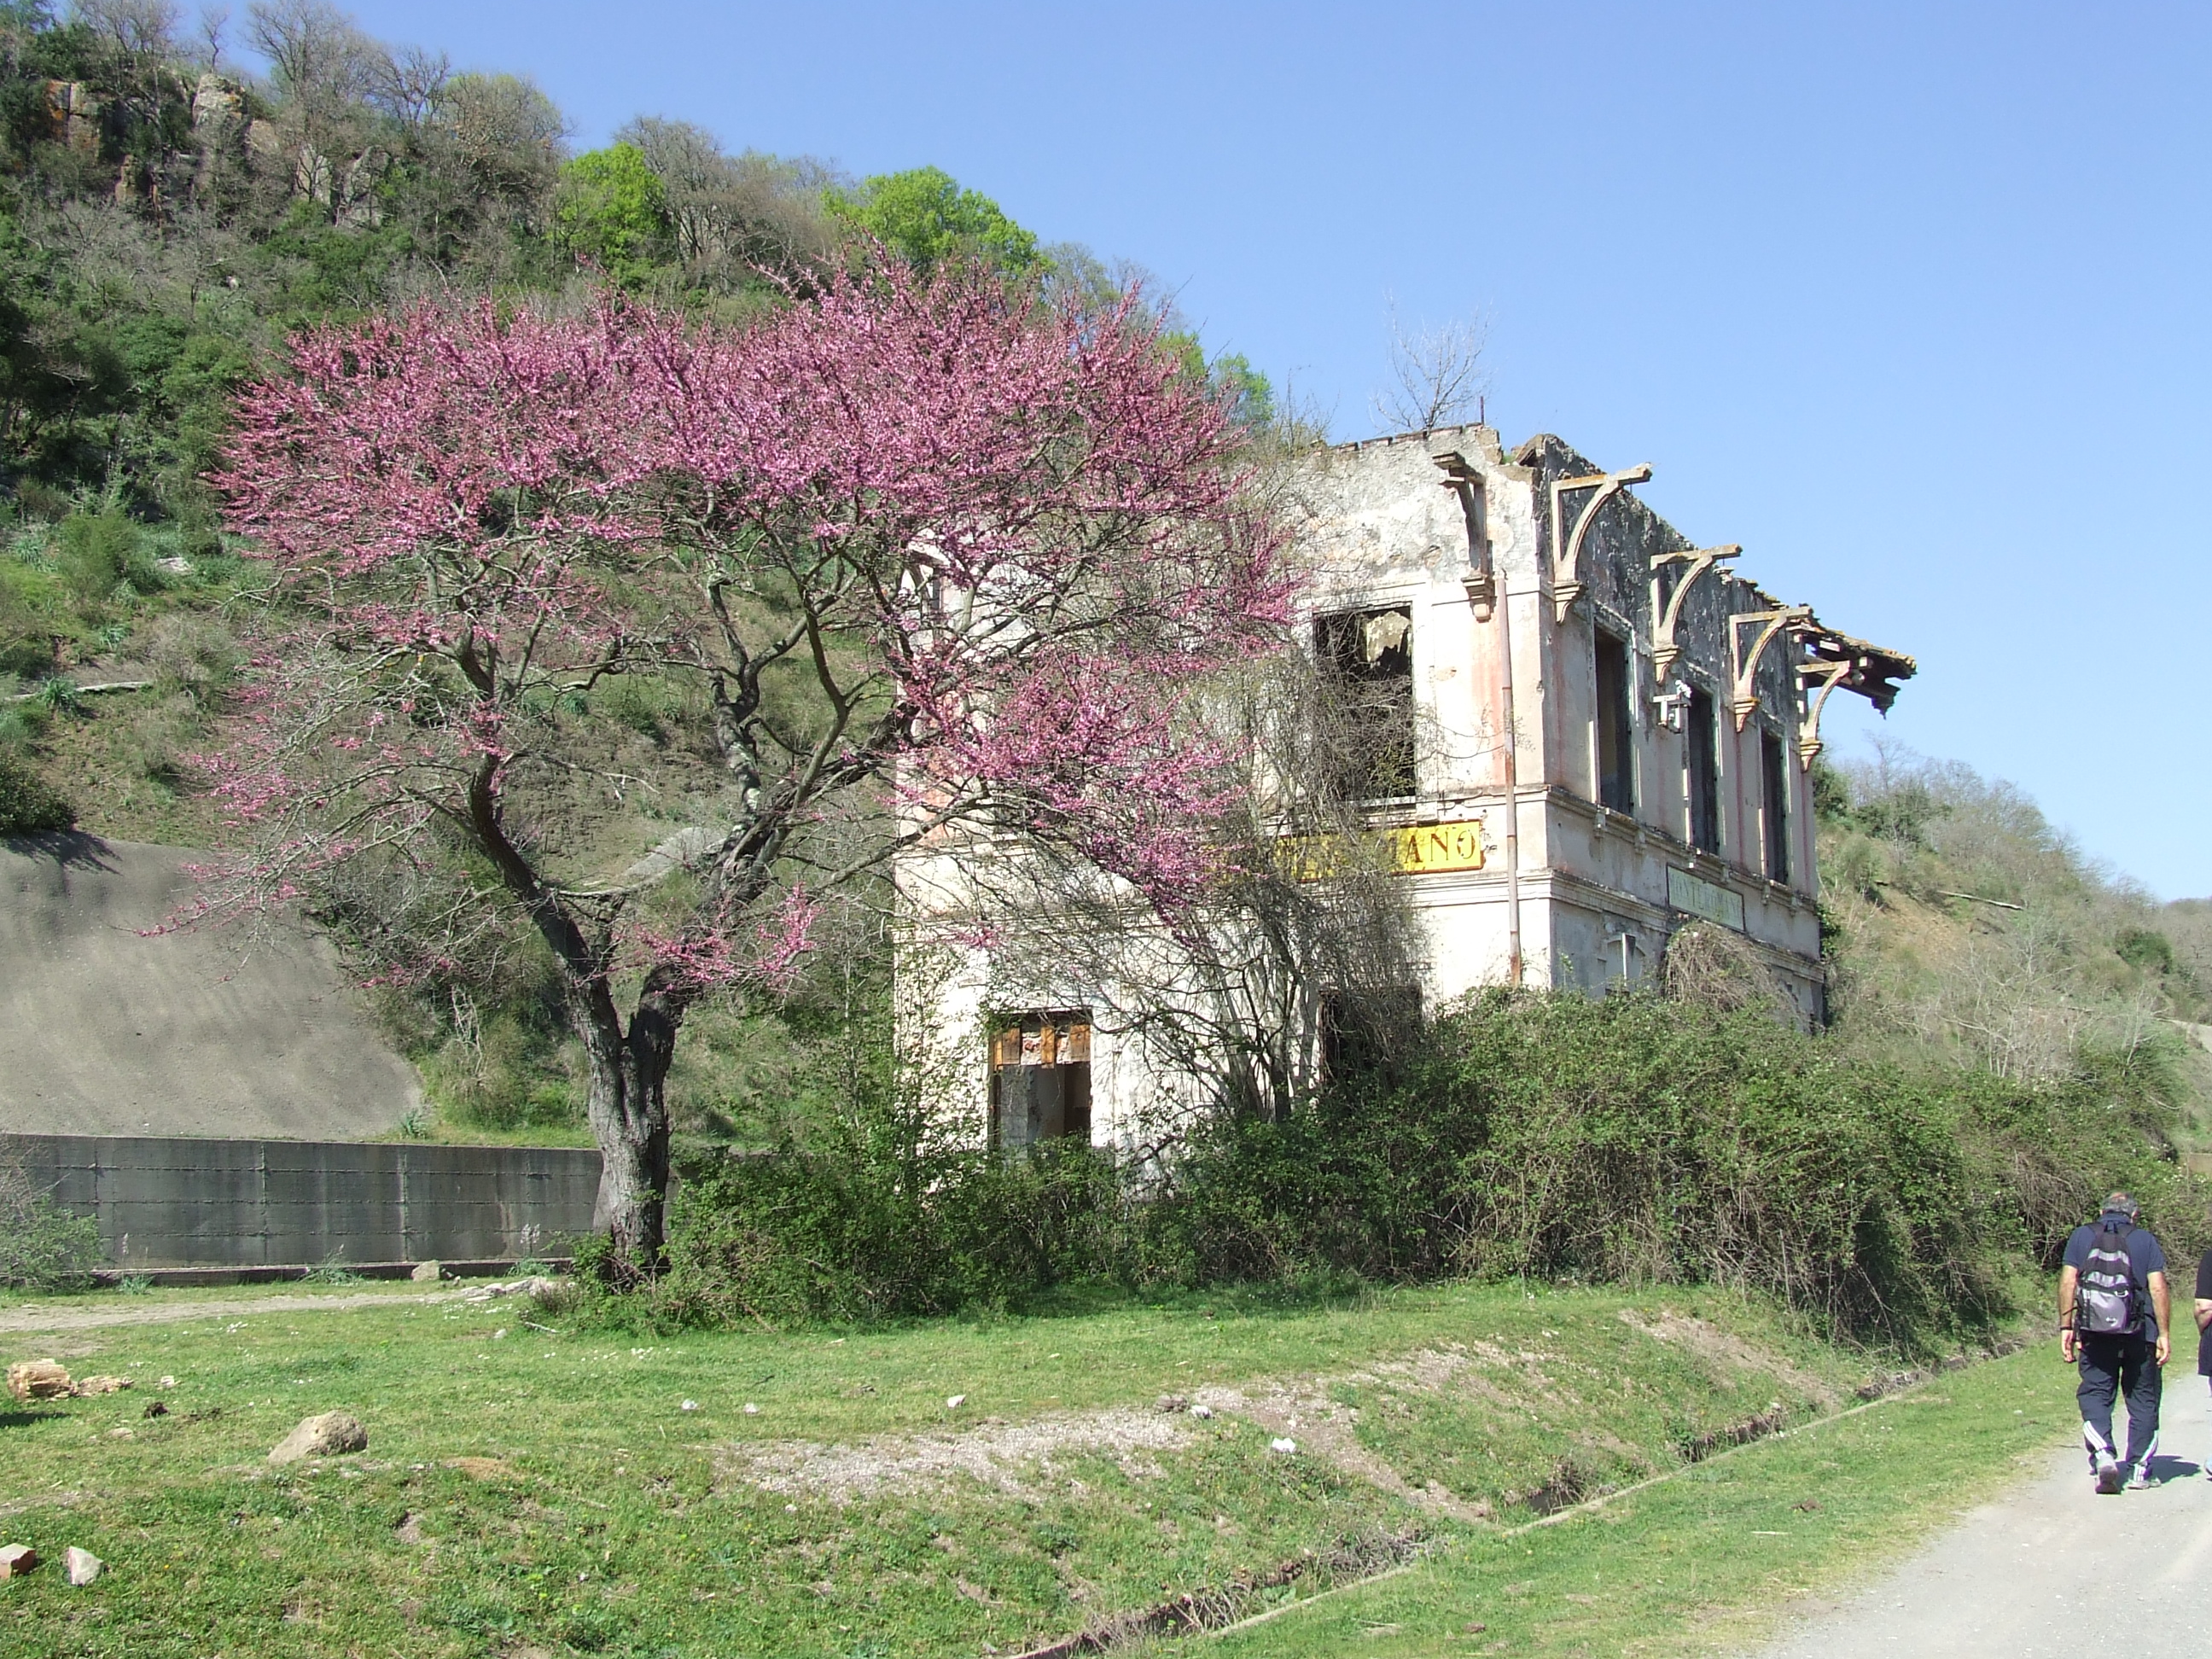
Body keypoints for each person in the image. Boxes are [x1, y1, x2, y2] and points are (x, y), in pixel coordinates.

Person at [2059, 1192, 2169, 1493]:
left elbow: (2069, 1281)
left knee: (2096, 1393)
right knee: (2143, 1399)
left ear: (2101, 1211)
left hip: (2094, 1333)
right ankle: (2139, 1471)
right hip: (2140, 1334)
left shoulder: (2082, 1236)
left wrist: (2066, 1326)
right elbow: (2158, 1287)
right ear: (2134, 1215)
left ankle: (2103, 1454)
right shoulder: (2144, 1239)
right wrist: (2163, 1333)